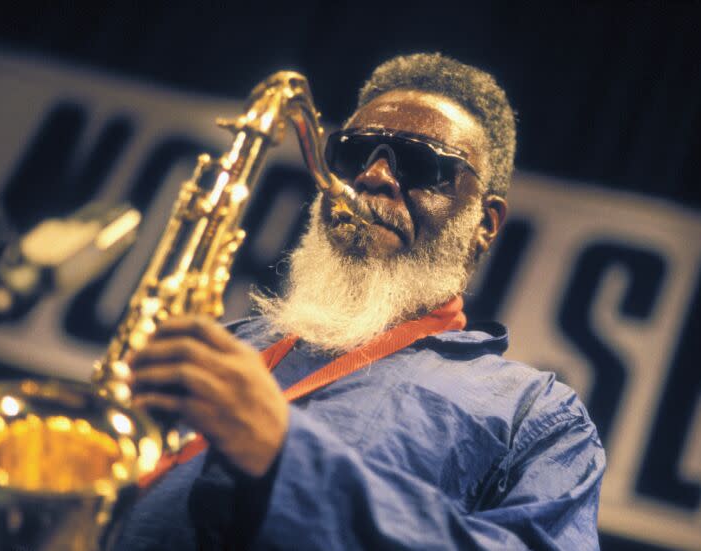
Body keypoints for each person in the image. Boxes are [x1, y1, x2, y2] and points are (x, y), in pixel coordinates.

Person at [114, 53, 605, 550]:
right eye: (353, 154)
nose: (373, 177)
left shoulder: (538, 416)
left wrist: (285, 456)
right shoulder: (226, 345)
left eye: (420, 164)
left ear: (485, 224)